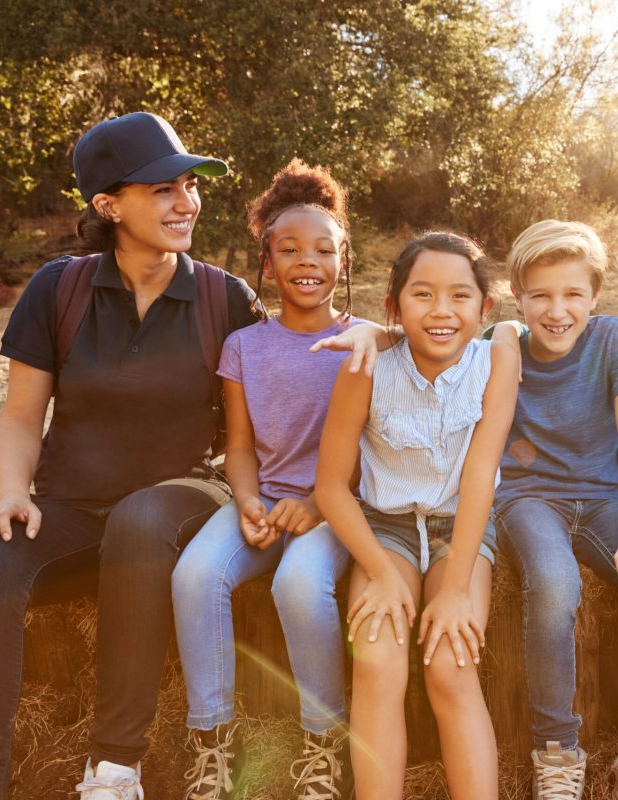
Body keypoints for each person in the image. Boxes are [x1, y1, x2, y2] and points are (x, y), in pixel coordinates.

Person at [0, 112, 258, 800]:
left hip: (186, 500)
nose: (186, 202)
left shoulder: (224, 298)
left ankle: (113, 769)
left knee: (138, 518)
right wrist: (12, 491)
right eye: (164, 188)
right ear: (109, 205)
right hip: (73, 505)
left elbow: (262, 418)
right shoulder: (58, 289)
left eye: (190, 186)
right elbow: (19, 416)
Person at [172, 159, 364, 800]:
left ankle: (322, 746)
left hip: (339, 505)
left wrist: (317, 502)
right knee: (196, 575)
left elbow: (374, 447)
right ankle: (212, 744)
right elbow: (240, 445)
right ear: (267, 263)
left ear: (344, 261)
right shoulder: (245, 346)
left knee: (300, 585)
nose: (307, 262)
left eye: (323, 250)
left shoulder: (364, 343)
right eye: (290, 250)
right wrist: (249, 500)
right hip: (265, 494)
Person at [316, 232, 518, 800]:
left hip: (461, 525)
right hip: (386, 528)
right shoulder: (367, 366)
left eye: (460, 296)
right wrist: (379, 570)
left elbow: (480, 477)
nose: (442, 311)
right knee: (377, 660)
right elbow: (330, 487)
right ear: (395, 306)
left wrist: (454, 589)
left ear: (483, 307)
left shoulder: (496, 359)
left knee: (450, 665)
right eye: (422, 294)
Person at [491, 219, 618, 800]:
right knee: (553, 582)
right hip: (529, 500)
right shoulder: (502, 346)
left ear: (594, 296)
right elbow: (487, 424)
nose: (557, 310)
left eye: (573, 294)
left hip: (603, 499)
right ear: (518, 296)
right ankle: (557, 750)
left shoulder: (613, 338)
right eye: (541, 295)